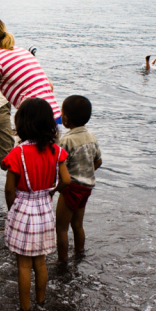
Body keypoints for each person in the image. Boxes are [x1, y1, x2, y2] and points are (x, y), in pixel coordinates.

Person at [3, 99, 71, 311]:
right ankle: (40, 301)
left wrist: (12, 208)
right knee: (40, 263)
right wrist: (51, 191)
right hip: (44, 208)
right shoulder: (56, 151)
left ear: (22, 123)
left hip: (23, 207)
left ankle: (24, 308)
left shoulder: (18, 153)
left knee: (23, 265)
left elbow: (9, 189)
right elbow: (67, 180)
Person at [0, 17, 58, 162]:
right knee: (49, 169)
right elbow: (49, 86)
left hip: (33, 122)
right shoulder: (22, 52)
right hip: (55, 117)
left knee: (26, 170)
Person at [56, 95, 102, 260]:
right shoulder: (92, 137)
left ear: (66, 119)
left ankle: (62, 261)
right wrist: (86, 173)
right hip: (86, 188)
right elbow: (98, 161)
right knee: (77, 225)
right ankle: (79, 253)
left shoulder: (66, 140)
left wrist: (54, 189)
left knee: (61, 228)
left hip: (71, 188)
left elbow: (59, 168)